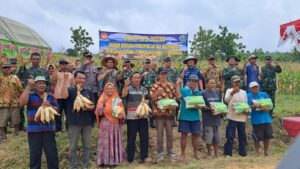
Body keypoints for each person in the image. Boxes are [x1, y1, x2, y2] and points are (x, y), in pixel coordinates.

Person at [19, 76, 59, 169]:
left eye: (44, 83)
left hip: (48, 130)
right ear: (35, 85)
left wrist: (50, 106)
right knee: (35, 156)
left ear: (46, 85)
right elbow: (21, 103)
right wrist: (28, 87)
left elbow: (57, 110)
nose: (42, 85)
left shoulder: (50, 96)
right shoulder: (30, 94)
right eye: (39, 83)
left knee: (52, 155)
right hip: (34, 130)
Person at [61, 71, 95, 169]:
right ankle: (74, 166)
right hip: (73, 123)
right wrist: (65, 80)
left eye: (83, 78)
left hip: (87, 123)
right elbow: (63, 95)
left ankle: (85, 165)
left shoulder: (88, 91)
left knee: (87, 146)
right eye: (79, 78)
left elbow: (93, 106)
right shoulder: (70, 90)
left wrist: (87, 108)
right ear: (75, 79)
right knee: (73, 147)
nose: (82, 80)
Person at [122, 71, 151, 163]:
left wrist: (147, 102)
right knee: (131, 138)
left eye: (139, 77)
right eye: (135, 77)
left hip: (143, 117)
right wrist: (126, 86)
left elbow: (148, 99)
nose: (137, 79)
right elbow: (123, 95)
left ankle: (144, 157)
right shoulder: (128, 88)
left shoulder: (144, 89)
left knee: (144, 138)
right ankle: (130, 158)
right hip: (131, 117)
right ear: (132, 79)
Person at [95, 83, 126, 167]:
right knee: (105, 144)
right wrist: (103, 104)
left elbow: (122, 110)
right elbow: (98, 112)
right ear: (105, 89)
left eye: (111, 88)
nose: (110, 90)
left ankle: (114, 161)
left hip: (115, 124)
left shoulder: (117, 99)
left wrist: (122, 115)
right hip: (105, 124)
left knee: (114, 142)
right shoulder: (102, 98)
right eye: (108, 88)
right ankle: (104, 161)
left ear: (114, 89)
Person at [150, 67, 177, 161]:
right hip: (159, 114)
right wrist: (157, 93)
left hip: (169, 113)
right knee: (159, 134)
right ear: (158, 75)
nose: (163, 76)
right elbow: (152, 99)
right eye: (161, 74)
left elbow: (175, 97)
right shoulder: (155, 86)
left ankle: (170, 151)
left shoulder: (170, 85)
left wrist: (174, 105)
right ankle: (159, 152)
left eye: (165, 74)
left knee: (170, 134)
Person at [176, 74, 203, 160]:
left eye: (195, 81)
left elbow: (201, 105)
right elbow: (178, 97)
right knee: (184, 135)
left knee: (196, 135)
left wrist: (199, 106)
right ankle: (182, 154)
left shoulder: (198, 92)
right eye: (192, 81)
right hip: (184, 117)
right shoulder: (183, 90)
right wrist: (177, 85)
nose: (194, 83)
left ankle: (196, 153)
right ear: (189, 82)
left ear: (197, 83)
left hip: (195, 117)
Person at [224, 75, 248, 157]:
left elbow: (245, 104)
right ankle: (228, 153)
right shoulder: (229, 90)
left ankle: (242, 153)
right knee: (230, 136)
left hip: (241, 117)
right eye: (235, 82)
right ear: (232, 83)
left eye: (238, 82)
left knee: (242, 136)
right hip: (232, 117)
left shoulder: (244, 92)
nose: (237, 83)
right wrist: (232, 93)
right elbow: (226, 101)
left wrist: (246, 111)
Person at [247, 82, 273, 156]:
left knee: (267, 136)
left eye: (256, 87)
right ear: (250, 89)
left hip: (266, 119)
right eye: (253, 87)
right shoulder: (248, 96)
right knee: (257, 138)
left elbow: (270, 104)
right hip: (256, 120)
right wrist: (254, 106)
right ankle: (257, 152)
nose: (255, 88)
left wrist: (268, 109)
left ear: (258, 87)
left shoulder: (264, 94)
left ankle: (266, 151)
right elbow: (247, 107)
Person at [0, 63, 23, 142]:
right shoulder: (0, 78)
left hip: (14, 102)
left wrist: (20, 99)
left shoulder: (15, 78)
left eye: (8, 68)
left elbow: (20, 89)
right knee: (2, 120)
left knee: (16, 119)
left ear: (10, 69)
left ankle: (16, 133)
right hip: (2, 103)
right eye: (4, 68)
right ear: (1, 69)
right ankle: (3, 136)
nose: (6, 69)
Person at [201, 78, 222, 158]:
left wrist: (222, 110)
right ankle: (209, 153)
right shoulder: (203, 93)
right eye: (211, 83)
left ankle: (217, 154)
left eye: (214, 83)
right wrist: (210, 109)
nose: (213, 85)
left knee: (217, 138)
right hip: (208, 119)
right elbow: (202, 106)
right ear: (207, 84)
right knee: (208, 138)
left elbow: (220, 104)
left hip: (217, 119)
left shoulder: (218, 92)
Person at [54, 59, 74, 132]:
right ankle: (58, 128)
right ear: (60, 65)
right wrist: (57, 69)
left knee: (68, 112)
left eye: (65, 64)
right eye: (62, 64)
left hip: (68, 96)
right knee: (58, 113)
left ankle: (68, 127)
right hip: (58, 96)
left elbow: (72, 86)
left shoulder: (71, 75)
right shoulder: (57, 73)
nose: (64, 66)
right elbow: (53, 80)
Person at [158, 57, 178, 127]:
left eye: (169, 61)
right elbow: (158, 79)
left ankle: (173, 120)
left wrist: (175, 89)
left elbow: (176, 80)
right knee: (163, 103)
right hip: (163, 89)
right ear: (165, 62)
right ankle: (163, 120)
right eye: (167, 61)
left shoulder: (174, 70)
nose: (168, 62)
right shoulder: (161, 69)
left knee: (172, 104)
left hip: (171, 89)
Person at [140, 58, 157, 128]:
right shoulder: (140, 71)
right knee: (142, 105)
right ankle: (142, 121)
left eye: (148, 63)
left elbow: (155, 82)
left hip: (150, 91)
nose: (147, 64)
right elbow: (135, 81)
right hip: (142, 91)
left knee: (151, 105)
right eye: (146, 63)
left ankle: (152, 122)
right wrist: (142, 76)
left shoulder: (153, 72)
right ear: (143, 64)